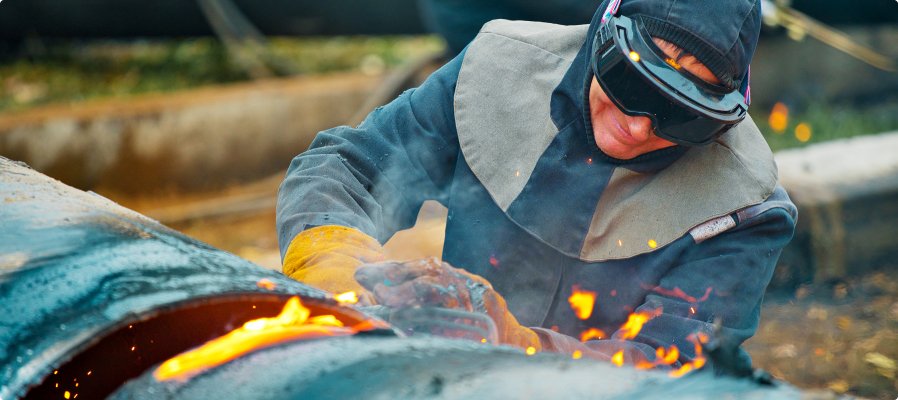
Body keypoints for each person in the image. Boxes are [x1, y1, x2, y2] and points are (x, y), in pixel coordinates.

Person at [276, 0, 797, 371]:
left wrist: (511, 341)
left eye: (681, 117)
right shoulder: (497, 70)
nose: (640, 127)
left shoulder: (746, 209)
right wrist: (332, 260)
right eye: (630, 85)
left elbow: (669, 370)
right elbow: (348, 167)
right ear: (603, 35)